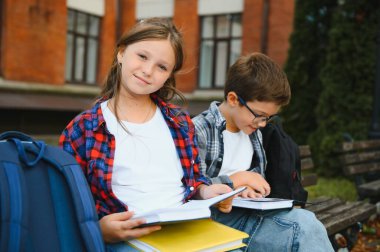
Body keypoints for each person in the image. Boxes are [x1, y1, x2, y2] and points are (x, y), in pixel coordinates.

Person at [59, 18, 234, 251]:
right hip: (127, 240)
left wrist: (206, 190)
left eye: (162, 67)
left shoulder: (179, 123)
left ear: (168, 76)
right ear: (121, 53)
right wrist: (98, 229)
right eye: (142, 56)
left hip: (187, 231)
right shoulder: (84, 128)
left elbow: (192, 179)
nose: (148, 71)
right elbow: (65, 203)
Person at [192, 52, 334, 251]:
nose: (263, 124)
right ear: (233, 99)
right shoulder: (198, 130)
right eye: (260, 116)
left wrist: (251, 190)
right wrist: (237, 179)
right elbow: (190, 189)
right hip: (211, 224)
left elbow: (255, 178)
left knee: (305, 223)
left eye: (268, 118)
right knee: (301, 229)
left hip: (248, 216)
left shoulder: (252, 132)